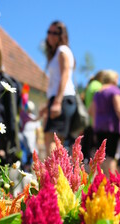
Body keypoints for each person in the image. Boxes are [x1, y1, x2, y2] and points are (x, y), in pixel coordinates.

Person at [40, 21, 76, 156]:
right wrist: (48, 104)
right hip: (59, 99)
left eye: (55, 33)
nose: (51, 35)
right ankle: (58, 174)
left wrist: (57, 102)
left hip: (62, 99)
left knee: (51, 138)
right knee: (56, 141)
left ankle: (52, 175)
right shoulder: (56, 53)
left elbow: (65, 75)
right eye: (49, 32)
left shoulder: (62, 50)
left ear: (62, 35)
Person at [89, 70, 120, 177]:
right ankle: (111, 182)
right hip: (112, 126)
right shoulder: (114, 91)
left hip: (99, 127)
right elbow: (119, 109)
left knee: (101, 156)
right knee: (111, 156)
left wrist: (95, 127)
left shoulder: (98, 93)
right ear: (113, 79)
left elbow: (91, 111)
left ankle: (102, 180)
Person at [82, 71, 105, 161]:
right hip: (95, 122)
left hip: (88, 122)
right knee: (94, 152)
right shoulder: (98, 86)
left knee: (86, 150)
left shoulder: (90, 85)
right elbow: (94, 106)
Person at [20, 101, 41, 172]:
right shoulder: (23, 116)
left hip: (31, 138)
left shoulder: (31, 117)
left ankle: (27, 168)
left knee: (30, 153)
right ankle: (24, 167)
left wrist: (37, 140)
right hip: (23, 137)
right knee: (24, 153)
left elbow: (38, 131)